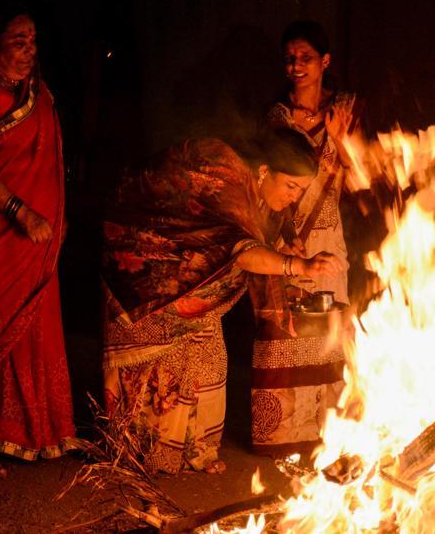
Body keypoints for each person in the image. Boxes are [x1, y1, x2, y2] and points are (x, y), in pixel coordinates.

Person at [101, 129, 342, 475]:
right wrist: (297, 265)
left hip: (195, 293)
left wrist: (280, 254)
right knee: (169, 361)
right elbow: (239, 251)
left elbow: (253, 244)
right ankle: (141, 450)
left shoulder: (259, 197)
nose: (293, 198)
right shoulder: (224, 175)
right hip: (149, 276)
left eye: (300, 192)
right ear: (263, 172)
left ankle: (194, 450)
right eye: (290, 186)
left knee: (210, 358)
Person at [0, 9, 75, 478]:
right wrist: (19, 212)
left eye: (33, 41)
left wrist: (56, 217)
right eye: (18, 42)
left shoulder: (39, 95)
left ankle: (32, 433)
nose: (29, 51)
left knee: (35, 334)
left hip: (38, 242)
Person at [251, 20, 359, 456]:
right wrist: (281, 238)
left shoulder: (345, 110)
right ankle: (278, 436)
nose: (296, 66)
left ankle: (326, 436)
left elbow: (363, 177)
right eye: (290, 58)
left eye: (306, 58)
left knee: (327, 333)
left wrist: (339, 140)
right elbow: (265, 181)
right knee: (283, 334)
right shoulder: (275, 115)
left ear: (325, 61)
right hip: (283, 235)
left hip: (328, 233)